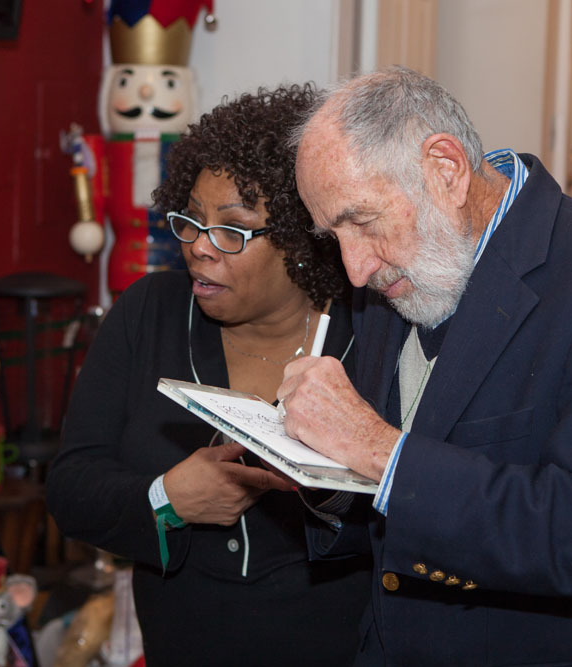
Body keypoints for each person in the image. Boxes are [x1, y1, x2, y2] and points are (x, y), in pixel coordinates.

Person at [277, 66, 572, 665]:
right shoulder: (395, 272)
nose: (354, 269)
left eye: (362, 221)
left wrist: (376, 450)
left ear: (445, 170)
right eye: (332, 234)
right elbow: (388, 511)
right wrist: (320, 476)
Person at [46, 83, 370, 666]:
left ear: (300, 241)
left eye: (233, 230)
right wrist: (167, 497)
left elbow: (419, 512)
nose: (199, 248)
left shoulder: (368, 334)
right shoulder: (150, 313)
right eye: (191, 222)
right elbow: (71, 490)